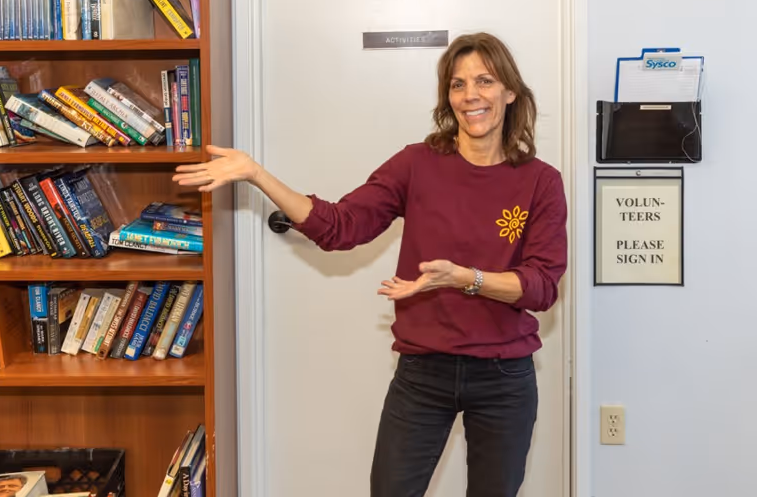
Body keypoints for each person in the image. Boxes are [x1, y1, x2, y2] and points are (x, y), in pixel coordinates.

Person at [173, 32, 568, 497]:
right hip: (423, 372)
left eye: (484, 80)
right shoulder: (417, 164)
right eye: (457, 85)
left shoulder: (541, 182)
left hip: (504, 376)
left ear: (510, 92)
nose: (470, 95)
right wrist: (257, 174)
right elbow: (340, 226)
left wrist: (466, 279)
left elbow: (542, 288)